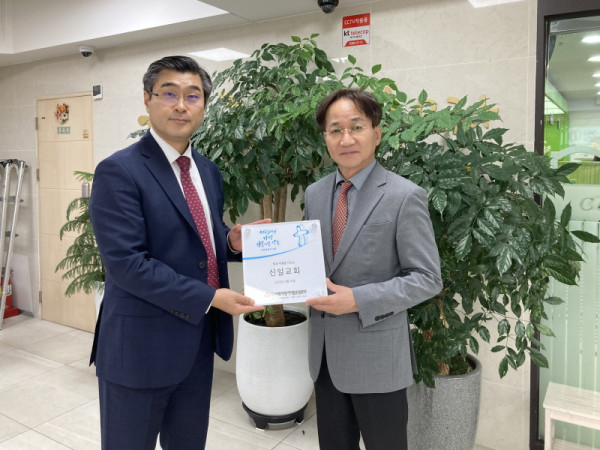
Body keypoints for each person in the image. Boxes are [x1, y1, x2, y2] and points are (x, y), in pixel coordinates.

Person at [89, 55, 266, 450]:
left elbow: (199, 236)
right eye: (169, 94)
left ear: (204, 104)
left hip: (196, 345)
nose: (181, 105)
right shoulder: (119, 171)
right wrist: (211, 297)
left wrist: (230, 242)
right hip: (139, 350)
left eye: (193, 95)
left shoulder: (208, 170)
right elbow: (128, 265)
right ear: (147, 99)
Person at [304, 88, 443, 450]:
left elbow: (427, 279)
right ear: (325, 138)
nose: (346, 138)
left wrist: (357, 300)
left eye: (356, 127)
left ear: (377, 133)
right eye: (335, 130)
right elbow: (309, 261)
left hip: (377, 359)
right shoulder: (314, 194)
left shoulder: (404, 195)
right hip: (324, 356)